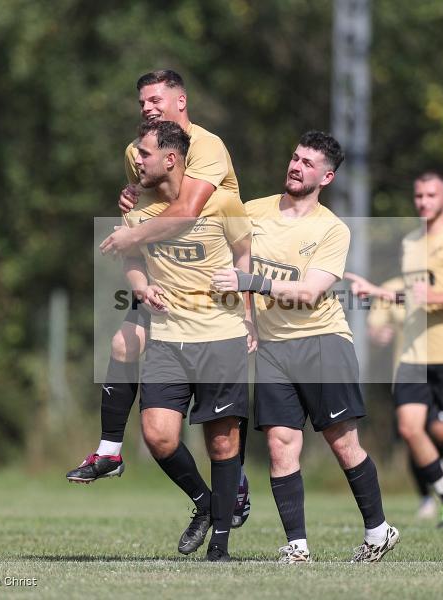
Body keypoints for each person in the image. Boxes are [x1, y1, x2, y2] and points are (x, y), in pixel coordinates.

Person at [65, 69, 250, 528]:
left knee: (222, 422)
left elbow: (186, 210)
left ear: (181, 101)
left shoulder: (208, 147)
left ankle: (236, 485)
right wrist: (130, 209)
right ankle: (111, 452)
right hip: (168, 268)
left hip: (211, 272)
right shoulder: (136, 150)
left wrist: (131, 234)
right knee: (123, 346)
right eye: (142, 101)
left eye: (155, 99)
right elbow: (146, 201)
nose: (147, 107)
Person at [212, 131, 400, 563]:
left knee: (343, 444)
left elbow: (310, 293)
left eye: (308, 163)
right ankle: (297, 547)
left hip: (322, 343)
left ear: (327, 176)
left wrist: (252, 283)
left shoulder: (331, 229)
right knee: (280, 443)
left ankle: (378, 531)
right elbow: (206, 221)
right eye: (295, 158)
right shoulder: (252, 211)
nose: (296, 166)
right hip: (274, 348)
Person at [122, 120, 254, 561]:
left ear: (171, 159)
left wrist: (249, 313)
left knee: (221, 442)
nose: (136, 159)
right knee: (158, 436)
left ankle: (219, 546)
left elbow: (242, 255)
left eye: (143, 153)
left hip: (221, 338)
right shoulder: (137, 212)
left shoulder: (223, 203)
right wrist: (140, 286)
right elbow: (131, 259)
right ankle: (204, 503)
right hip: (167, 339)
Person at [346, 172, 443, 530]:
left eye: (431, 195)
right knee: (410, 428)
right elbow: (413, 296)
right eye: (418, 195)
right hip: (413, 355)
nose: (424, 201)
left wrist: (440, 298)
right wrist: (379, 292)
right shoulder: (411, 241)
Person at [366, 277, 443, 520]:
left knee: (442, 431)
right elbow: (373, 327)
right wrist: (377, 335)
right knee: (413, 433)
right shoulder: (391, 287)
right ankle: (428, 496)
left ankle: (438, 469)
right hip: (408, 372)